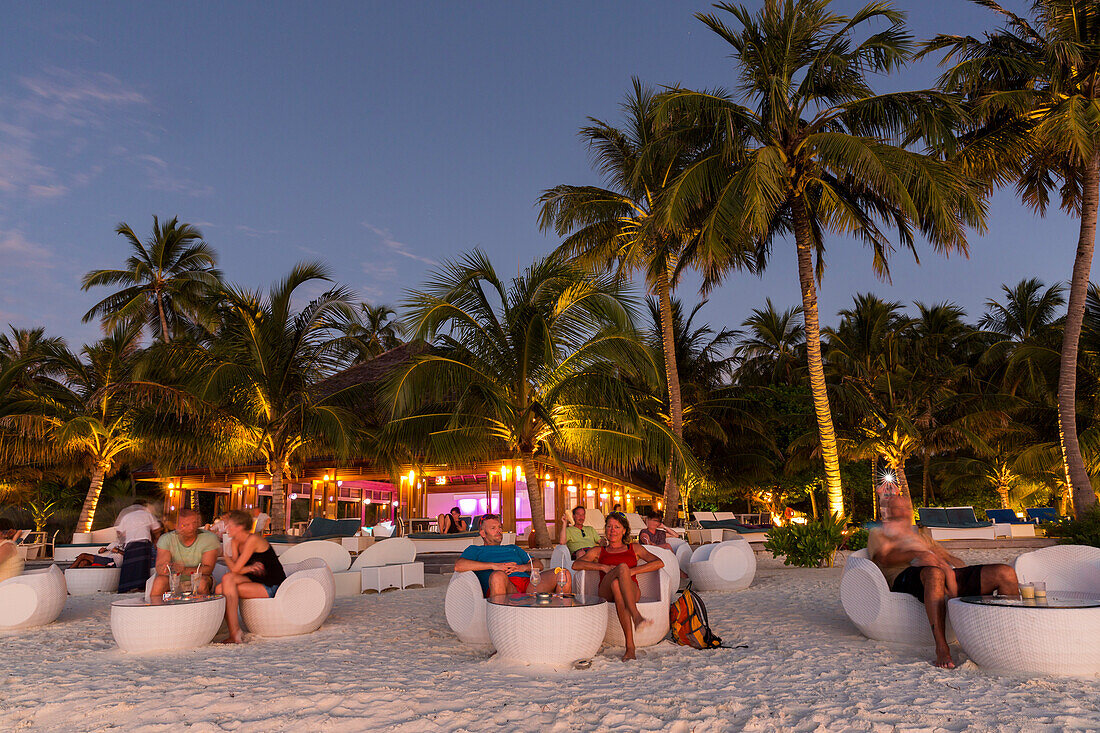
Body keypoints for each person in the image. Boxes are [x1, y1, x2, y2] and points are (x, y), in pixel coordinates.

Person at [869, 493, 1019, 669]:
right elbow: (884, 558)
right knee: (935, 574)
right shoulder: (879, 533)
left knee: (1005, 572)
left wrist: (952, 566)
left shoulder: (921, 537)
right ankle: (941, 646)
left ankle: (1009, 639)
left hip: (940, 572)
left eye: (906, 508)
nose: (903, 511)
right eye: (897, 507)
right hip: (904, 576)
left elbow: (953, 561)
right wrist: (917, 554)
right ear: (888, 511)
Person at [573, 512, 664, 661]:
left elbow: (659, 562)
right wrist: (602, 567)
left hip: (631, 589)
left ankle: (630, 648)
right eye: (609, 527)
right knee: (620, 569)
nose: (612, 530)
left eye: (616, 527)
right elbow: (576, 564)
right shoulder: (599, 551)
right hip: (605, 590)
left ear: (624, 530)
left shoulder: (634, 548)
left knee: (618, 583)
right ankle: (636, 616)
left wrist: (632, 571)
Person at [455, 514, 570, 597]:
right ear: (483, 533)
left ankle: (562, 618)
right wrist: (494, 566)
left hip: (529, 585)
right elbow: (459, 566)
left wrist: (523, 567)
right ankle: (499, 624)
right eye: (493, 528)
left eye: (500, 527)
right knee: (498, 576)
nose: (499, 531)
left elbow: (538, 564)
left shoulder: (513, 548)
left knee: (563, 573)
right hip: (506, 586)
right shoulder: (476, 550)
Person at [216, 509, 286, 644]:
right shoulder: (235, 542)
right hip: (254, 579)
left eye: (230, 525)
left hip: (272, 585)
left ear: (240, 527)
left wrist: (226, 556)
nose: (227, 528)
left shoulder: (253, 540)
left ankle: (234, 633)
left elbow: (235, 569)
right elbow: (235, 569)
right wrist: (247, 568)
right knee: (222, 585)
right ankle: (234, 632)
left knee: (224, 588)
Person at [151, 509, 220, 600]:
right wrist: (166, 567)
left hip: (200, 578)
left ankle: (202, 612)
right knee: (159, 582)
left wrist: (183, 570)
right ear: (176, 526)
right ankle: (156, 611)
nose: (191, 528)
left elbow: (208, 569)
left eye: (194, 523)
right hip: (173, 580)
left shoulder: (209, 538)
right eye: (185, 525)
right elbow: (160, 569)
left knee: (201, 583)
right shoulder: (166, 539)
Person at [116, 500, 163, 592]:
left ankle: (125, 587)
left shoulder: (127, 516)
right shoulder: (147, 515)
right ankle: (140, 587)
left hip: (130, 543)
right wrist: (156, 540)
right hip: (143, 542)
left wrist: (124, 538)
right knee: (142, 566)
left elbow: (119, 531)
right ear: (144, 506)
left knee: (129, 566)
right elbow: (157, 529)